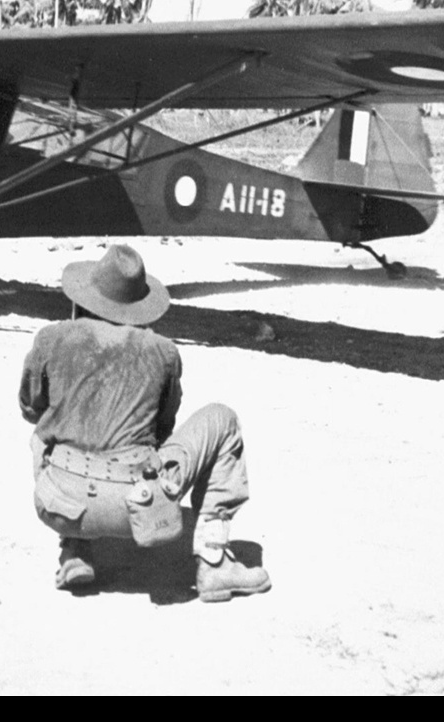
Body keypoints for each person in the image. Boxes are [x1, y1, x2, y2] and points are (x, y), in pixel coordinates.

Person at [19, 244, 272, 601]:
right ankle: (214, 563)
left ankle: (75, 549)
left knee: (45, 435)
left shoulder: (50, 338)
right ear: (138, 307)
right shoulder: (163, 351)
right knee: (223, 419)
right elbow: (162, 429)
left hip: (60, 503)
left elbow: (30, 407)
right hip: (138, 505)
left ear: (85, 297)